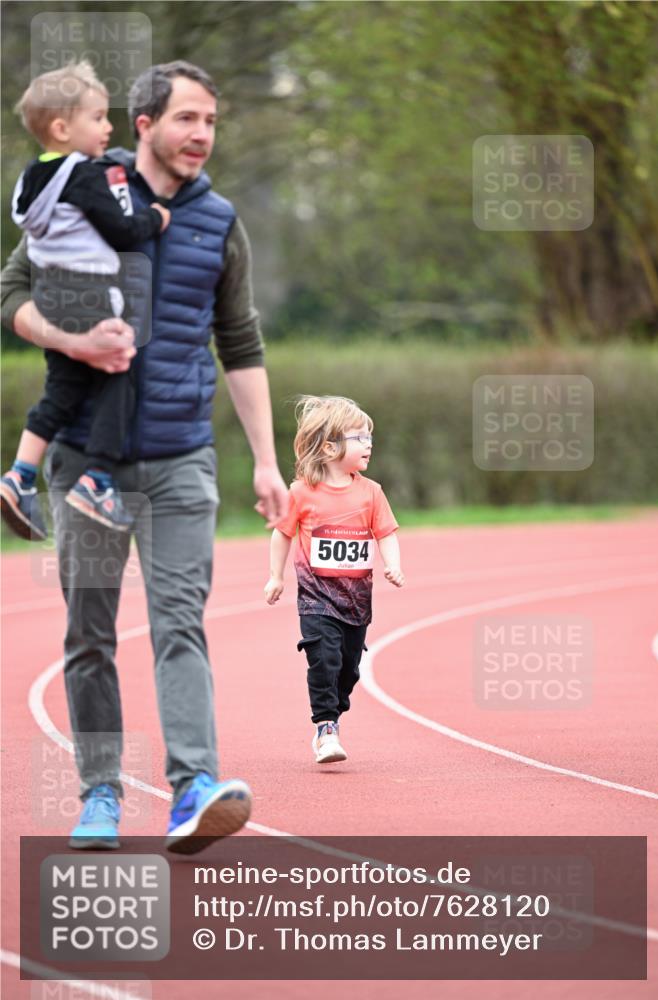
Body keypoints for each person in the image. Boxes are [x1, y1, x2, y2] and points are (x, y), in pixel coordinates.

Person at [1, 60, 288, 854]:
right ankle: (98, 794)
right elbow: (9, 295)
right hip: (85, 458)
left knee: (178, 624)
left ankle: (193, 786)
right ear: (143, 125)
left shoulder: (220, 220)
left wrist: (266, 461)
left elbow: (240, 342)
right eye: (188, 119)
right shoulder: (82, 191)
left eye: (212, 122)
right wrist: (70, 340)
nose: (201, 135)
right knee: (89, 633)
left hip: (180, 459)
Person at [0, 61, 171, 540]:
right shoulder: (85, 175)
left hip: (50, 294)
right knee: (122, 370)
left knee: (63, 389)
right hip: (90, 292)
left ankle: (19, 474)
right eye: (97, 117)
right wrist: (154, 219)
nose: (108, 127)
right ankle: (97, 478)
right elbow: (121, 232)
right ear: (61, 127)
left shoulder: (30, 179)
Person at [264, 395, 404, 763]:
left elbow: (386, 532)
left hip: (356, 602)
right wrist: (275, 576)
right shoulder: (300, 493)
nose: (369, 443)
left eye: (369, 437)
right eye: (359, 437)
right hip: (316, 599)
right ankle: (326, 727)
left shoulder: (371, 492)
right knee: (322, 658)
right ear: (329, 447)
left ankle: (335, 708)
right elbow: (282, 533)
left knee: (348, 669)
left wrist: (393, 564)